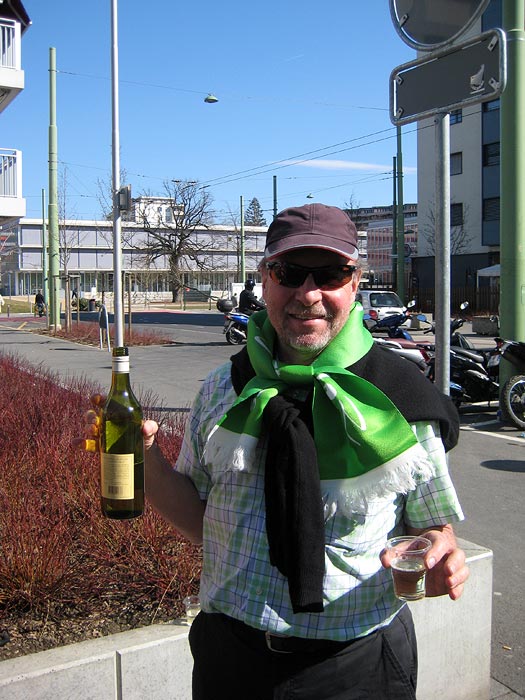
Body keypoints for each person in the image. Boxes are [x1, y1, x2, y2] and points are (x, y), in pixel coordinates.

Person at [80, 203, 469, 700]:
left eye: (330, 273)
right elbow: (201, 522)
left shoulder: (399, 396)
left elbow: (433, 526)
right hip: (230, 661)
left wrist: (439, 551)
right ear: (265, 279)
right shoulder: (224, 389)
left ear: (355, 283)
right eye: (288, 272)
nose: (308, 293)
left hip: (355, 668)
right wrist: (146, 456)